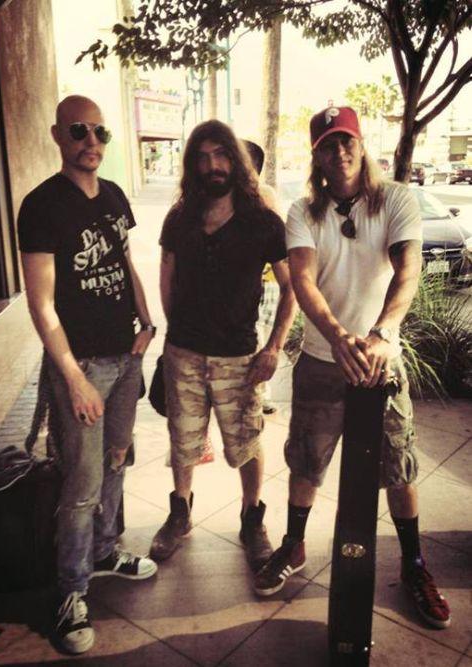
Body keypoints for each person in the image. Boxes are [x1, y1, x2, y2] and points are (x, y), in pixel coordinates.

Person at [254, 106, 451, 630]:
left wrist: (382, 332)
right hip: (322, 360)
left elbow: (407, 270)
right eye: (328, 144)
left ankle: (413, 564)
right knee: (306, 461)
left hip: (382, 360)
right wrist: (338, 336)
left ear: (361, 146)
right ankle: (294, 544)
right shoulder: (304, 211)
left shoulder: (396, 199)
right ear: (316, 155)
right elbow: (303, 279)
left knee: (399, 465)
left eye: (347, 141)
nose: (339, 152)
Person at [17, 95, 158, 654]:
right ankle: (71, 592)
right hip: (82, 366)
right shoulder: (41, 205)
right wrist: (73, 378)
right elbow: (40, 303)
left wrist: (147, 323)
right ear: (58, 135)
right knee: (81, 484)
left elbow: (125, 264)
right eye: (79, 131)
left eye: (100, 132)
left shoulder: (115, 195)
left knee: (117, 459)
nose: (91, 141)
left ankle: (104, 550)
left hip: (126, 356)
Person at [149, 120, 296, 573]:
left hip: (240, 357)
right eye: (202, 156)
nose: (212, 165)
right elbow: (167, 278)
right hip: (184, 354)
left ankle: (252, 518)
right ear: (193, 165)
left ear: (234, 159)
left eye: (220, 154)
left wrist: (274, 347)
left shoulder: (263, 222)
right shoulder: (180, 219)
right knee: (183, 441)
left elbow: (292, 288)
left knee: (246, 443)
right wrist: (179, 335)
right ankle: (180, 512)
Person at [244, 140, 280, 415]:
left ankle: (260, 393)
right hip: (248, 284)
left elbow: (276, 241)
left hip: (266, 282)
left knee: (258, 337)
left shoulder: (263, 195)